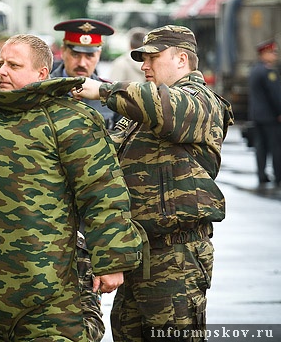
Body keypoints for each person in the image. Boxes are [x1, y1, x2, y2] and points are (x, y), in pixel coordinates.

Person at [0, 34, 143, 341]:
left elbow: (103, 194)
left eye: (13, 65)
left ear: (41, 73)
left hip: (46, 299)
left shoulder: (71, 121)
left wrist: (112, 261)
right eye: (0, 63)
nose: (2, 71)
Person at [74, 25, 234, 341]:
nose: (143, 66)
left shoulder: (201, 103)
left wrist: (104, 91)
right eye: (141, 59)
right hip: (136, 256)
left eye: (152, 58)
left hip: (177, 257)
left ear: (182, 59)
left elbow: (165, 107)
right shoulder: (140, 112)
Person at [52, 18, 120, 129]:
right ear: (63, 51)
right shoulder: (44, 90)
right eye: (75, 54)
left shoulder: (110, 94)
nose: (82, 63)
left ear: (99, 55)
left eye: (89, 56)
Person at [247, 39, 281, 187]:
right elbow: (275, 95)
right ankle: (278, 175)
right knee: (276, 147)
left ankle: (262, 175)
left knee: (260, 147)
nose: (275, 55)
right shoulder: (268, 72)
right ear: (264, 53)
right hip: (270, 116)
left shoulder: (254, 70)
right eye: (272, 52)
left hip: (257, 115)